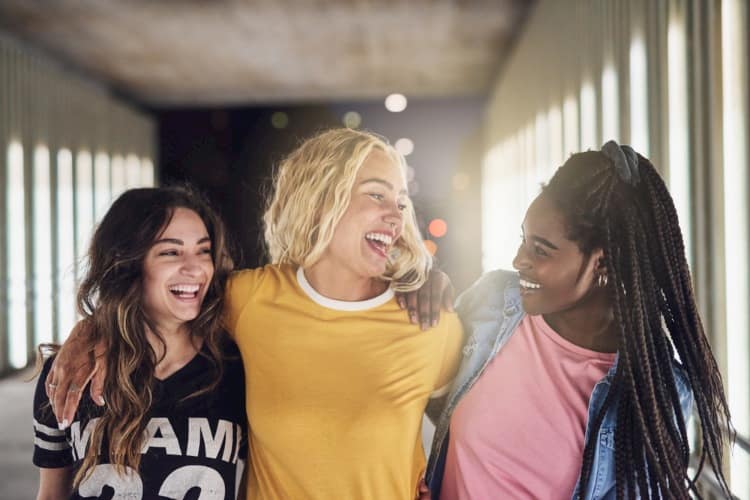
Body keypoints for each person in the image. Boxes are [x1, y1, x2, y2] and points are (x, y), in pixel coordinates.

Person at [44, 128, 464, 500]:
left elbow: (467, 437)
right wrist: (91, 329)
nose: (397, 215)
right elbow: (158, 302)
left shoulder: (430, 323)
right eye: (377, 194)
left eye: (402, 201)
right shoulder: (248, 299)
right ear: (320, 199)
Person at [426, 142, 733, 499]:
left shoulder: (654, 392)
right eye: (523, 240)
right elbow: (427, 394)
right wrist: (424, 288)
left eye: (540, 250)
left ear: (601, 263)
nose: (518, 260)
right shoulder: (495, 300)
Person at [33, 187, 247, 499]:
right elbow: (51, 495)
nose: (195, 267)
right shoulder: (72, 373)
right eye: (170, 252)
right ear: (129, 264)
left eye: (203, 250)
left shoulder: (234, 369)